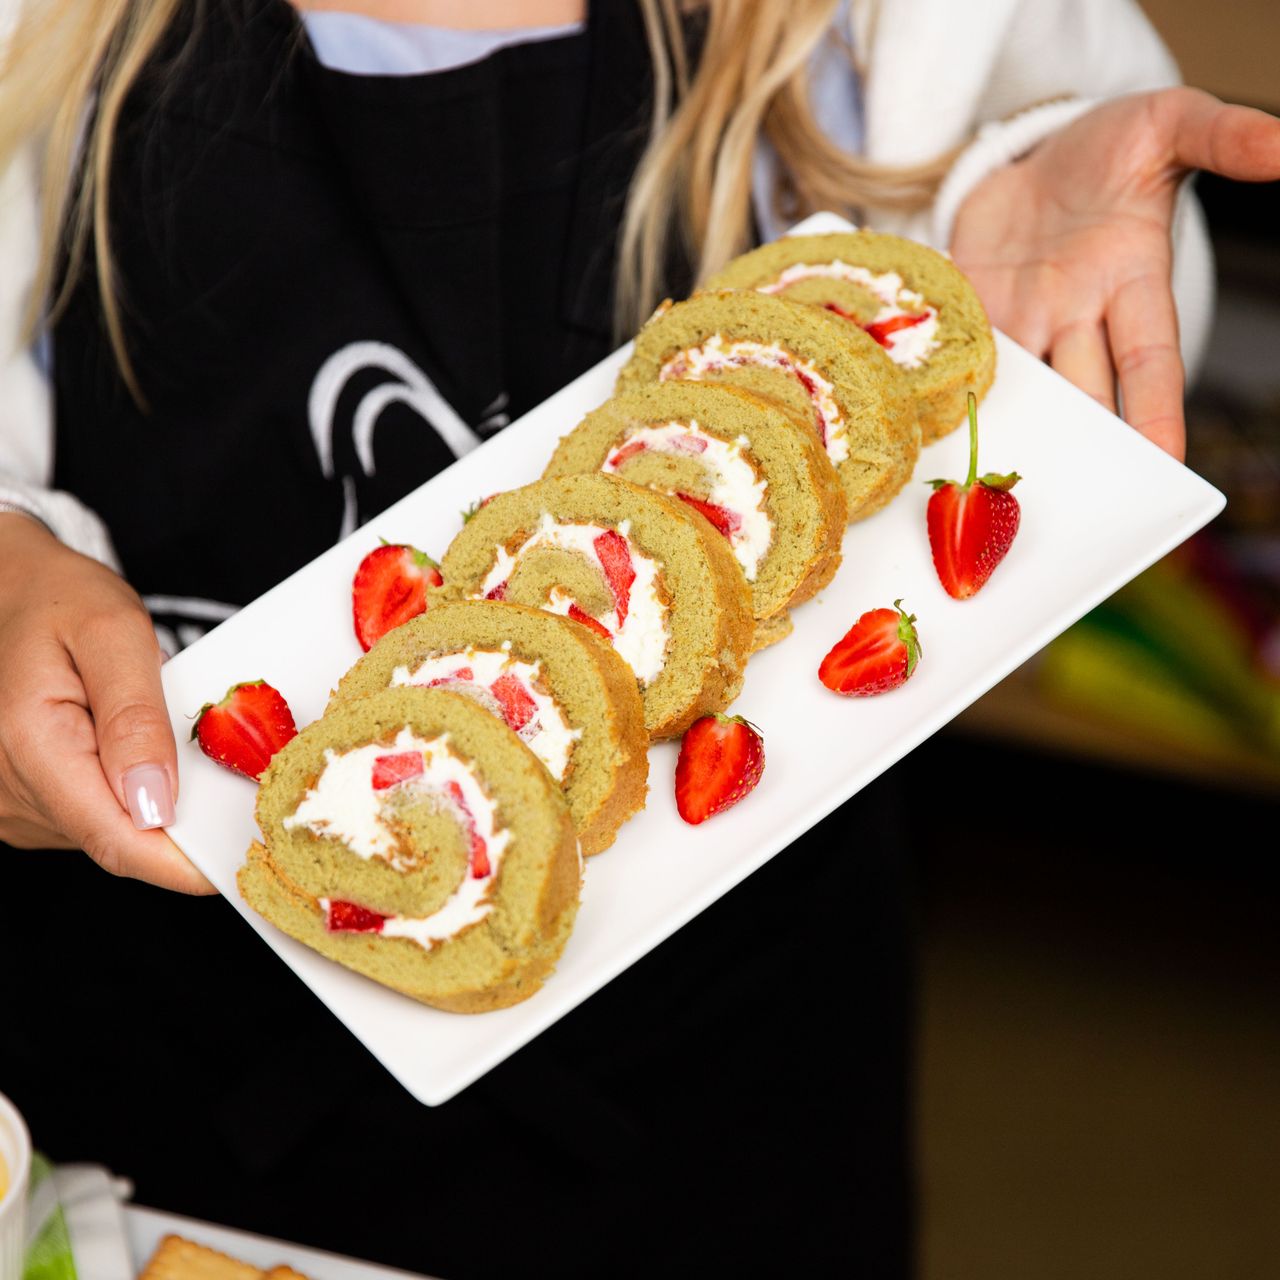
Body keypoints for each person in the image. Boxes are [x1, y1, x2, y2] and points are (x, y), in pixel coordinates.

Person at [0, 2, 1277, 1275]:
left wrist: (1011, 199)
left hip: (738, 1063)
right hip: (164, 1048)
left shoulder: (893, 28)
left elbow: (1033, 322)